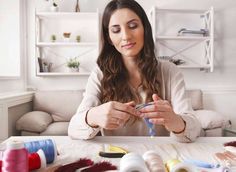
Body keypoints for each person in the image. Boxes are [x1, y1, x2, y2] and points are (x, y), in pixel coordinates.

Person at [68, 0, 201, 142]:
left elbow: (194, 129)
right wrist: (92, 117)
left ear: (145, 28)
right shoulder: (99, 74)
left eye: (133, 26)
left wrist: (174, 121)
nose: (126, 36)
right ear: (109, 38)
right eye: (116, 30)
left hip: (161, 156)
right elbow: (73, 129)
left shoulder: (169, 72)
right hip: (117, 157)